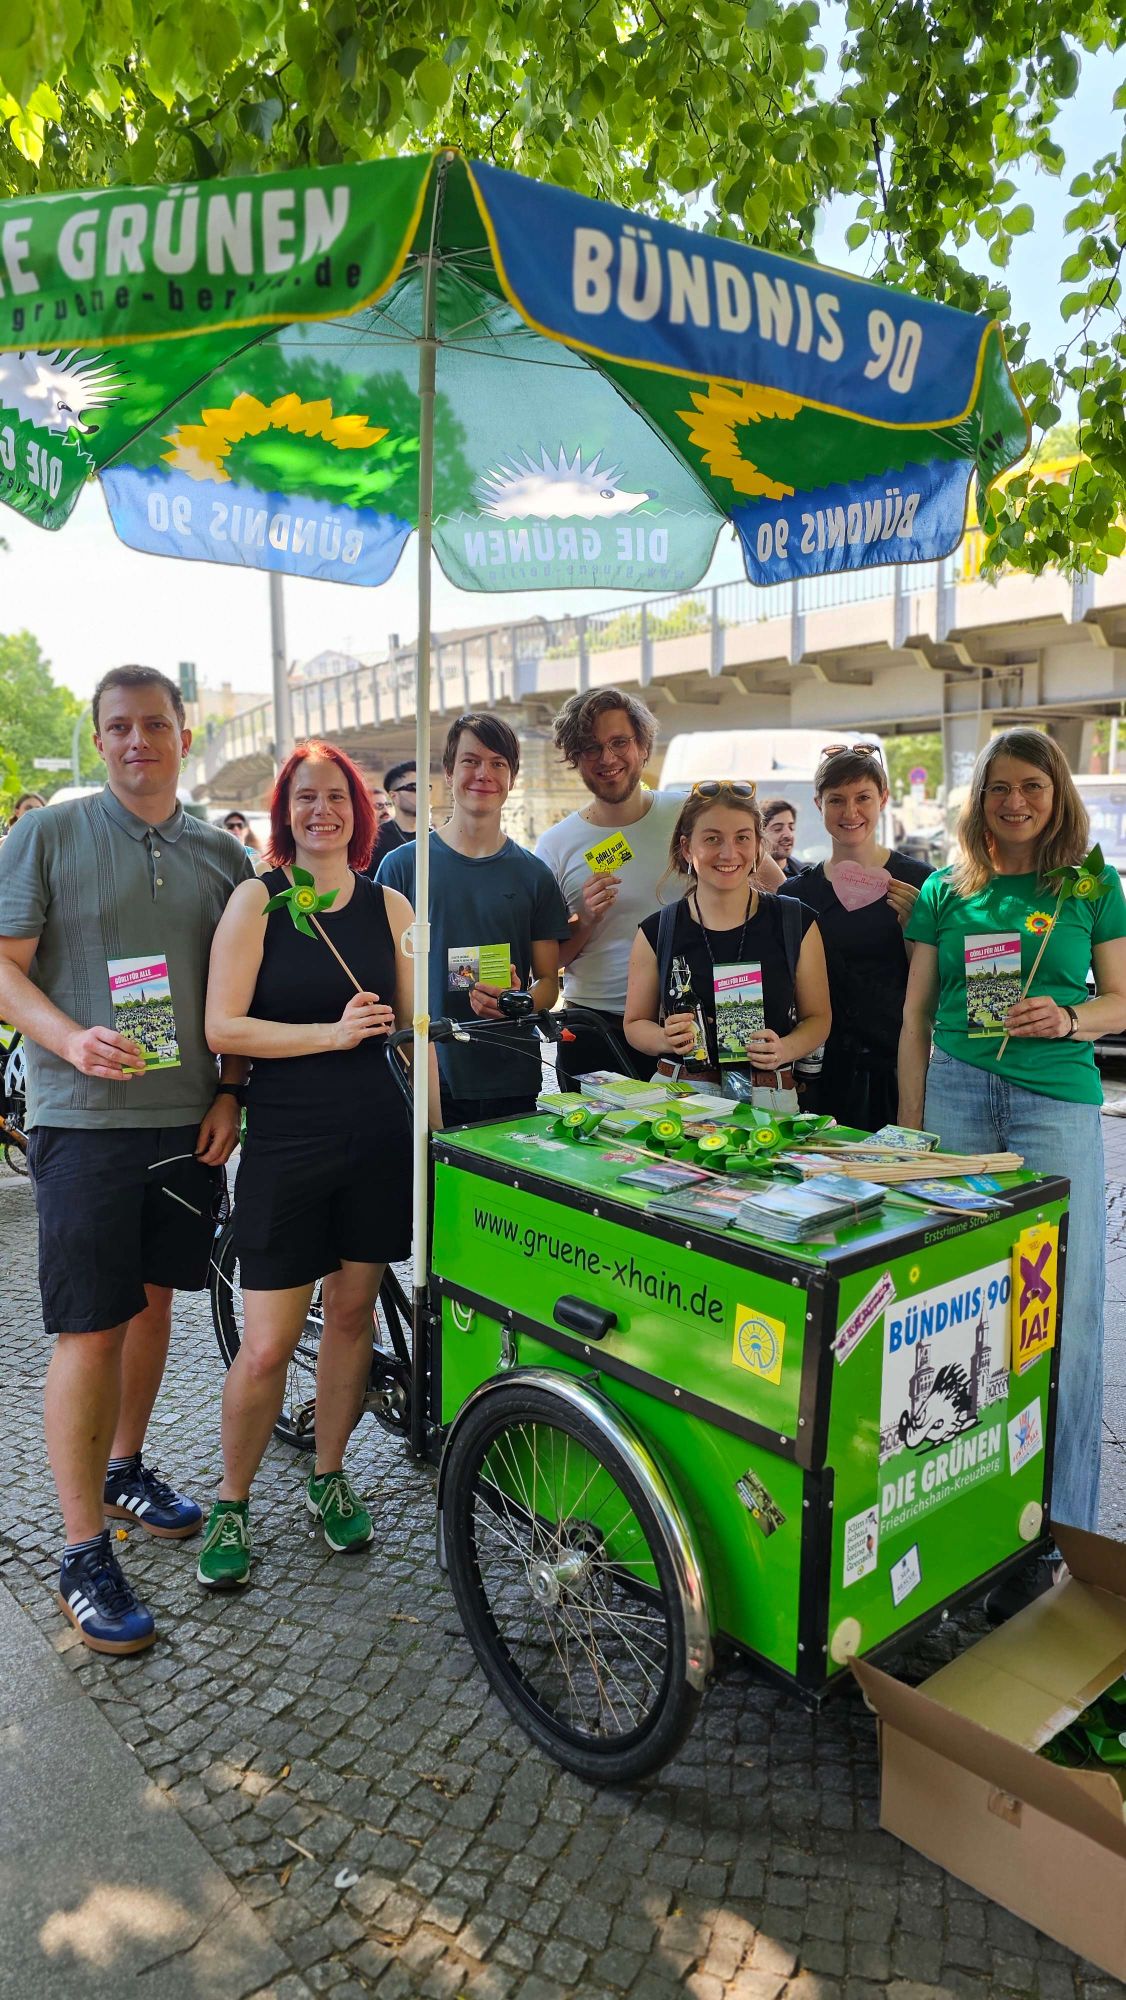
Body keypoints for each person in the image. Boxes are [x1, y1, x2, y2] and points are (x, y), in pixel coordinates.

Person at [0, 666, 253, 1654]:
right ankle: (79, 1547)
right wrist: (66, 1039)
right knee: (88, 1328)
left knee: (154, 1305)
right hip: (83, 1121)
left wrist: (232, 1089)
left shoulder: (220, 856)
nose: (138, 738)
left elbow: (240, 988)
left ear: (184, 734)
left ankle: (127, 1464)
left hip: (185, 1122)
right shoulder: (49, 834)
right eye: (120, 726)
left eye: (155, 723)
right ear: (99, 738)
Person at [200, 740, 439, 1590]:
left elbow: (418, 1035)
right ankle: (232, 1500)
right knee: (266, 1346)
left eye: (335, 795)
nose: (321, 810)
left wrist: (434, 1129)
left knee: (352, 1318)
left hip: (375, 1141)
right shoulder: (256, 902)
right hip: (288, 1141)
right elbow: (223, 1028)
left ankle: (328, 1475)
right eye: (305, 797)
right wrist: (328, 1036)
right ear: (285, 812)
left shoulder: (394, 910)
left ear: (360, 809)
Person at [899, 728, 1126, 1573]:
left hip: (1054, 1103)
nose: (1015, 801)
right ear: (979, 798)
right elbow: (916, 1018)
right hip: (956, 1092)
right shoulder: (946, 888)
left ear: (1056, 791)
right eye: (999, 788)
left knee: (1065, 1315)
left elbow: (1121, 1000)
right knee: (959, 1309)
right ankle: (971, 1522)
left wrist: (1070, 1018)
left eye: (1031, 785)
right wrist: (910, 1131)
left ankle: (1064, 1532)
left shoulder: (1092, 883)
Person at [536, 689, 788, 1088]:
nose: (607, 758)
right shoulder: (555, 844)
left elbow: (774, 889)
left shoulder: (688, 812)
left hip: (693, 1024)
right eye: (590, 747)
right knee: (596, 1148)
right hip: (595, 1024)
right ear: (574, 757)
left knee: (695, 1143)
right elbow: (548, 967)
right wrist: (584, 919)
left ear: (644, 746)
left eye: (620, 742)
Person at [378, 712, 570, 1126]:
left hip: (511, 1075)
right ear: (448, 772)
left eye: (498, 763)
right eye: (470, 761)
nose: (483, 774)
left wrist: (517, 1002)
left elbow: (549, 985)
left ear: (512, 778)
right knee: (424, 1191)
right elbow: (379, 979)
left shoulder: (534, 875)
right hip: (423, 1072)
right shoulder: (403, 867)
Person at [624, 784, 831, 1095]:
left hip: (769, 1099)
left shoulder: (796, 922)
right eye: (712, 839)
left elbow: (818, 1017)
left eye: (742, 838)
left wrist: (786, 1048)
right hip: (685, 1098)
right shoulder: (658, 930)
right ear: (686, 848)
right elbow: (635, 1023)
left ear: (759, 846)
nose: (728, 852)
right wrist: (664, 1039)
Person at [781, 745, 930, 1131]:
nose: (850, 813)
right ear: (818, 803)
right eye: (836, 800)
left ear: (883, 798)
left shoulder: (922, 882)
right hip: (814, 1074)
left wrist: (916, 930)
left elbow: (940, 989)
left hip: (899, 1070)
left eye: (863, 797)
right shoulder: (796, 895)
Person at [364, 779, 407, 876]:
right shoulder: (363, 842)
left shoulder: (398, 836)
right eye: (379, 806)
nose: (385, 810)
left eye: (387, 804)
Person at [762, 797, 801, 879]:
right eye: (778, 829)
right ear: (760, 834)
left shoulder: (809, 877)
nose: (788, 834)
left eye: (791, 827)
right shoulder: (746, 879)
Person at [383, 758, 421, 842]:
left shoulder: (433, 838)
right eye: (414, 787)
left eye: (426, 787)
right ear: (394, 796)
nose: (422, 794)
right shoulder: (377, 839)